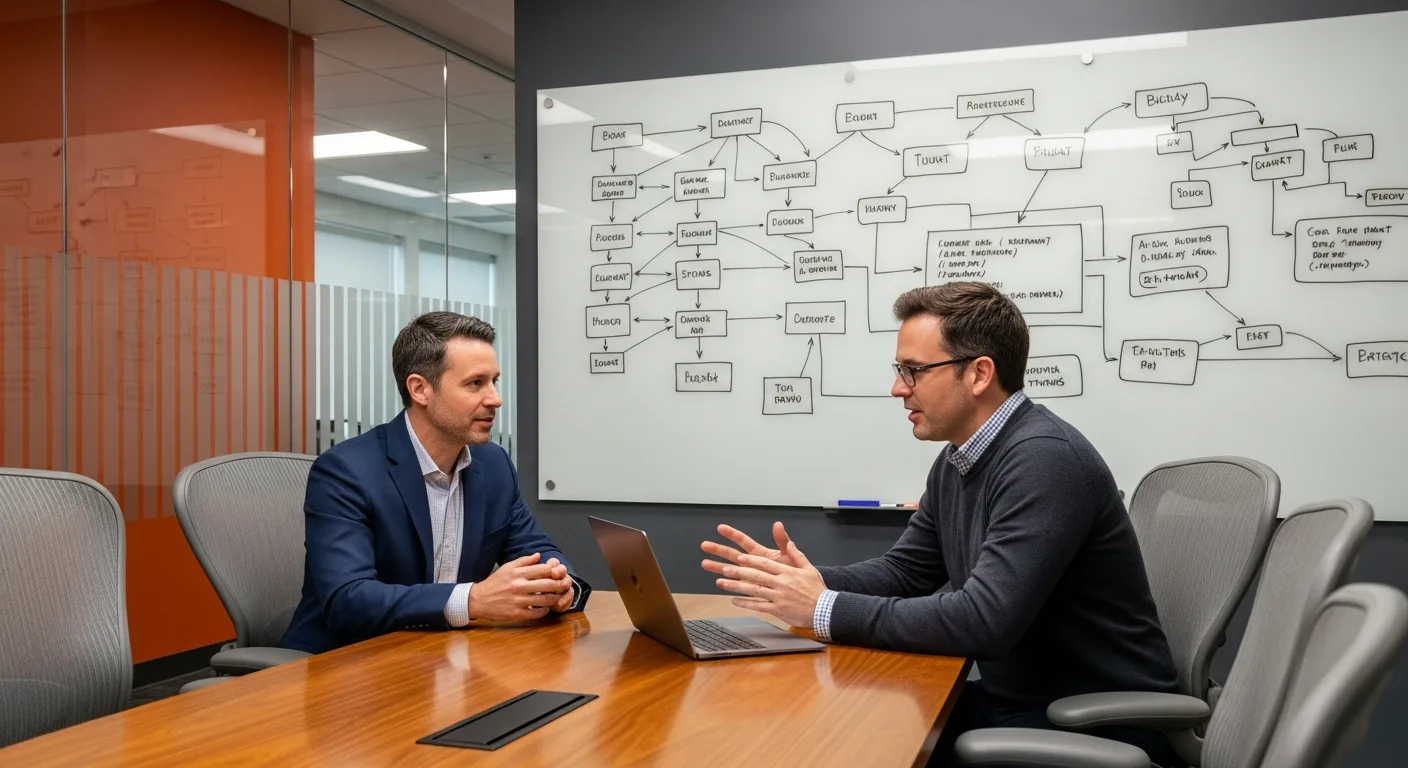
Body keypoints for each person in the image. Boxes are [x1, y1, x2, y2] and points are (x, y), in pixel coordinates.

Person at [700, 282, 1181, 766]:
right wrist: (803, 583)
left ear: (979, 374)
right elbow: (907, 573)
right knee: (843, 732)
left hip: (1095, 724)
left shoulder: (1045, 461)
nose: (897, 388)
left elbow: (981, 622)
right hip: (1023, 706)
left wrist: (823, 608)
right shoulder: (959, 459)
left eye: (913, 370)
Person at [282, 312, 589, 654]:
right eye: (475, 383)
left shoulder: (494, 464)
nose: (495, 398)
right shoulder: (346, 471)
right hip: (345, 663)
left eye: (494, 381)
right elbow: (349, 600)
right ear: (420, 389)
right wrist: (473, 600)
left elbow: (538, 552)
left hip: (438, 658)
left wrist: (560, 584)